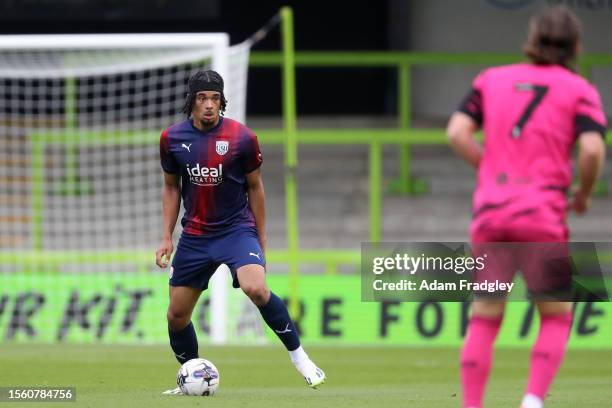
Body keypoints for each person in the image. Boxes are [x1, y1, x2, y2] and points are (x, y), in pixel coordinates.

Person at [446, 6, 606, 408]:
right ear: (575, 46)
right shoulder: (579, 89)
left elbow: (457, 132)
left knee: (485, 314)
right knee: (555, 315)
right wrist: (584, 194)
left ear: (532, 39)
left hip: (492, 216)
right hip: (541, 218)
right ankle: (532, 401)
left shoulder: (491, 79)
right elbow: (591, 148)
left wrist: (492, 169)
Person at [155, 69, 325, 394]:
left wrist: (260, 238)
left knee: (257, 288)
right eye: (203, 98)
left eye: (215, 99)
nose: (209, 105)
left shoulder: (242, 138)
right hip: (195, 235)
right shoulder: (172, 139)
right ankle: (192, 374)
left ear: (222, 101)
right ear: (192, 101)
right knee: (176, 315)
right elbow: (170, 187)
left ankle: (300, 357)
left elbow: (256, 187)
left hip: (236, 230)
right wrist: (166, 236)